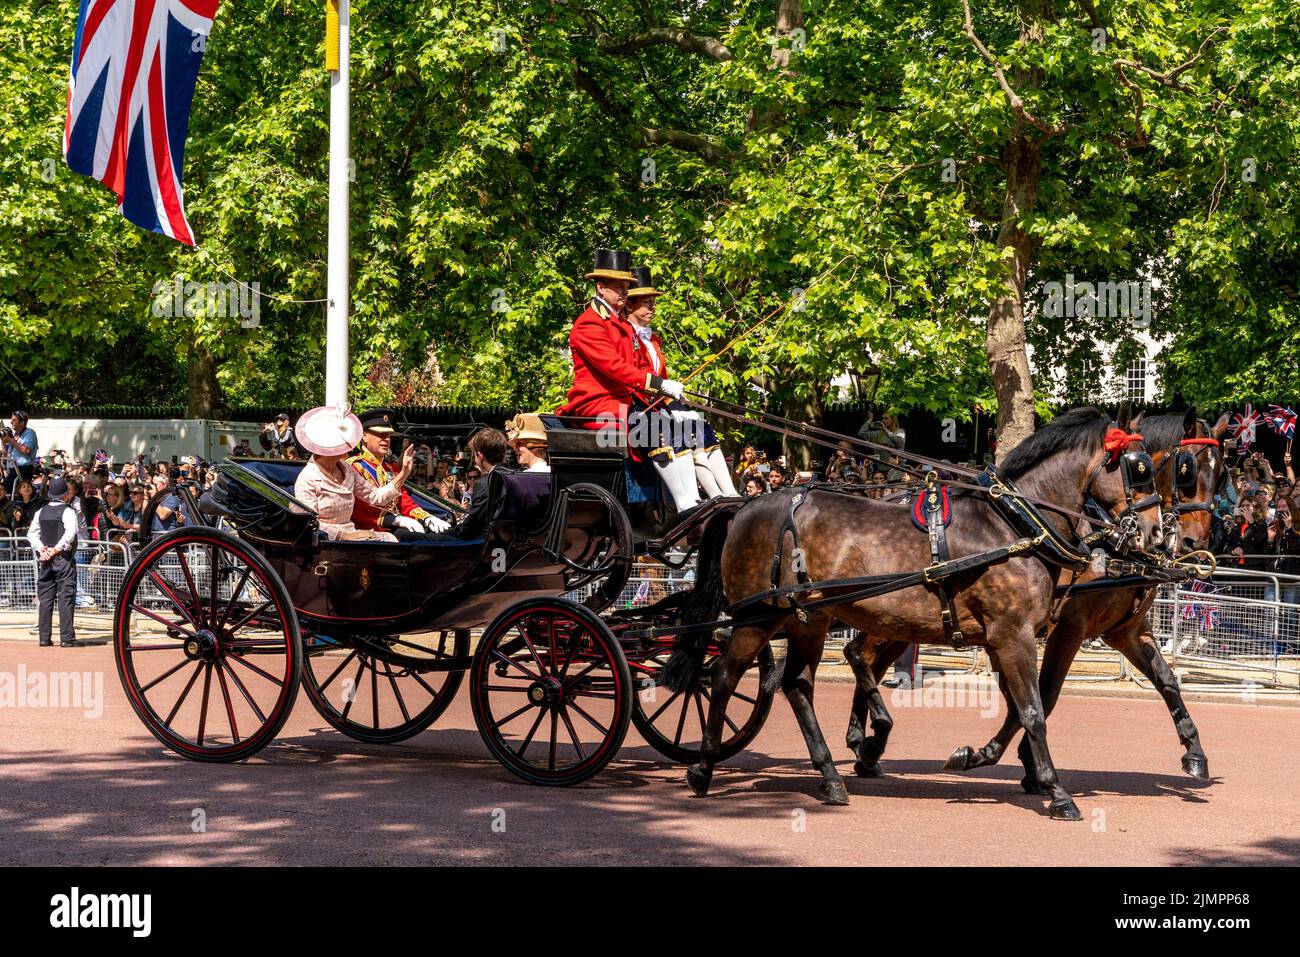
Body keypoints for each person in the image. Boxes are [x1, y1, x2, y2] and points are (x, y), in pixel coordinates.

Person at [556, 250, 699, 514]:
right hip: (597, 405)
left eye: (626, 287)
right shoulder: (589, 324)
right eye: (619, 287)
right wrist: (659, 384)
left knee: (690, 427)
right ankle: (684, 505)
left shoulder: (619, 322)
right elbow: (616, 369)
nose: (625, 293)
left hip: (626, 400)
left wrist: (665, 394)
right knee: (657, 427)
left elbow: (635, 366)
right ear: (601, 287)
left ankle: (699, 499)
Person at [622, 266, 739, 502]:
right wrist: (662, 389)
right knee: (674, 432)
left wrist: (673, 400)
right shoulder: (624, 335)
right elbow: (629, 375)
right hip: (635, 409)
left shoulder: (653, 339)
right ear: (629, 306)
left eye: (653, 302)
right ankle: (690, 500)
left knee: (701, 428)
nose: (653, 308)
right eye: (646, 303)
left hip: (658, 405)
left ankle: (726, 494)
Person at [292, 405, 411, 542]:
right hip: (326, 541)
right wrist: (344, 536)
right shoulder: (308, 478)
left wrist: (403, 474)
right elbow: (308, 523)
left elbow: (375, 496)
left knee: (391, 540)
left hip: (352, 535)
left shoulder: (347, 470)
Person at [348, 407, 451, 539]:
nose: (386, 439)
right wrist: (396, 520)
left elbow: (404, 502)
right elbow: (359, 510)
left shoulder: (391, 469)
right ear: (364, 436)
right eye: (380, 435)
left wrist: (426, 518)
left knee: (443, 534)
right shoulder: (354, 467)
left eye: (388, 435)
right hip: (372, 531)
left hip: (397, 526)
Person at [28, 476, 79, 647]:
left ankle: (44, 637)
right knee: (66, 598)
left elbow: (31, 534)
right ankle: (67, 638)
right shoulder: (68, 511)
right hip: (62, 559)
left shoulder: (41, 511)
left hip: (46, 559)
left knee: (46, 599)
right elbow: (70, 534)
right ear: (65, 494)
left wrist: (42, 549)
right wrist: (55, 549)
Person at [4, 410, 38, 495]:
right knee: (6, 491)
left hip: (23, 470)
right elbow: (5, 454)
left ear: (22, 422)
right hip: (13, 470)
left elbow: (26, 450)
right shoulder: (15, 435)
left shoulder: (30, 433)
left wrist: (10, 440)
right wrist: (2, 440)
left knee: (6, 490)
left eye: (14, 420)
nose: (11, 422)